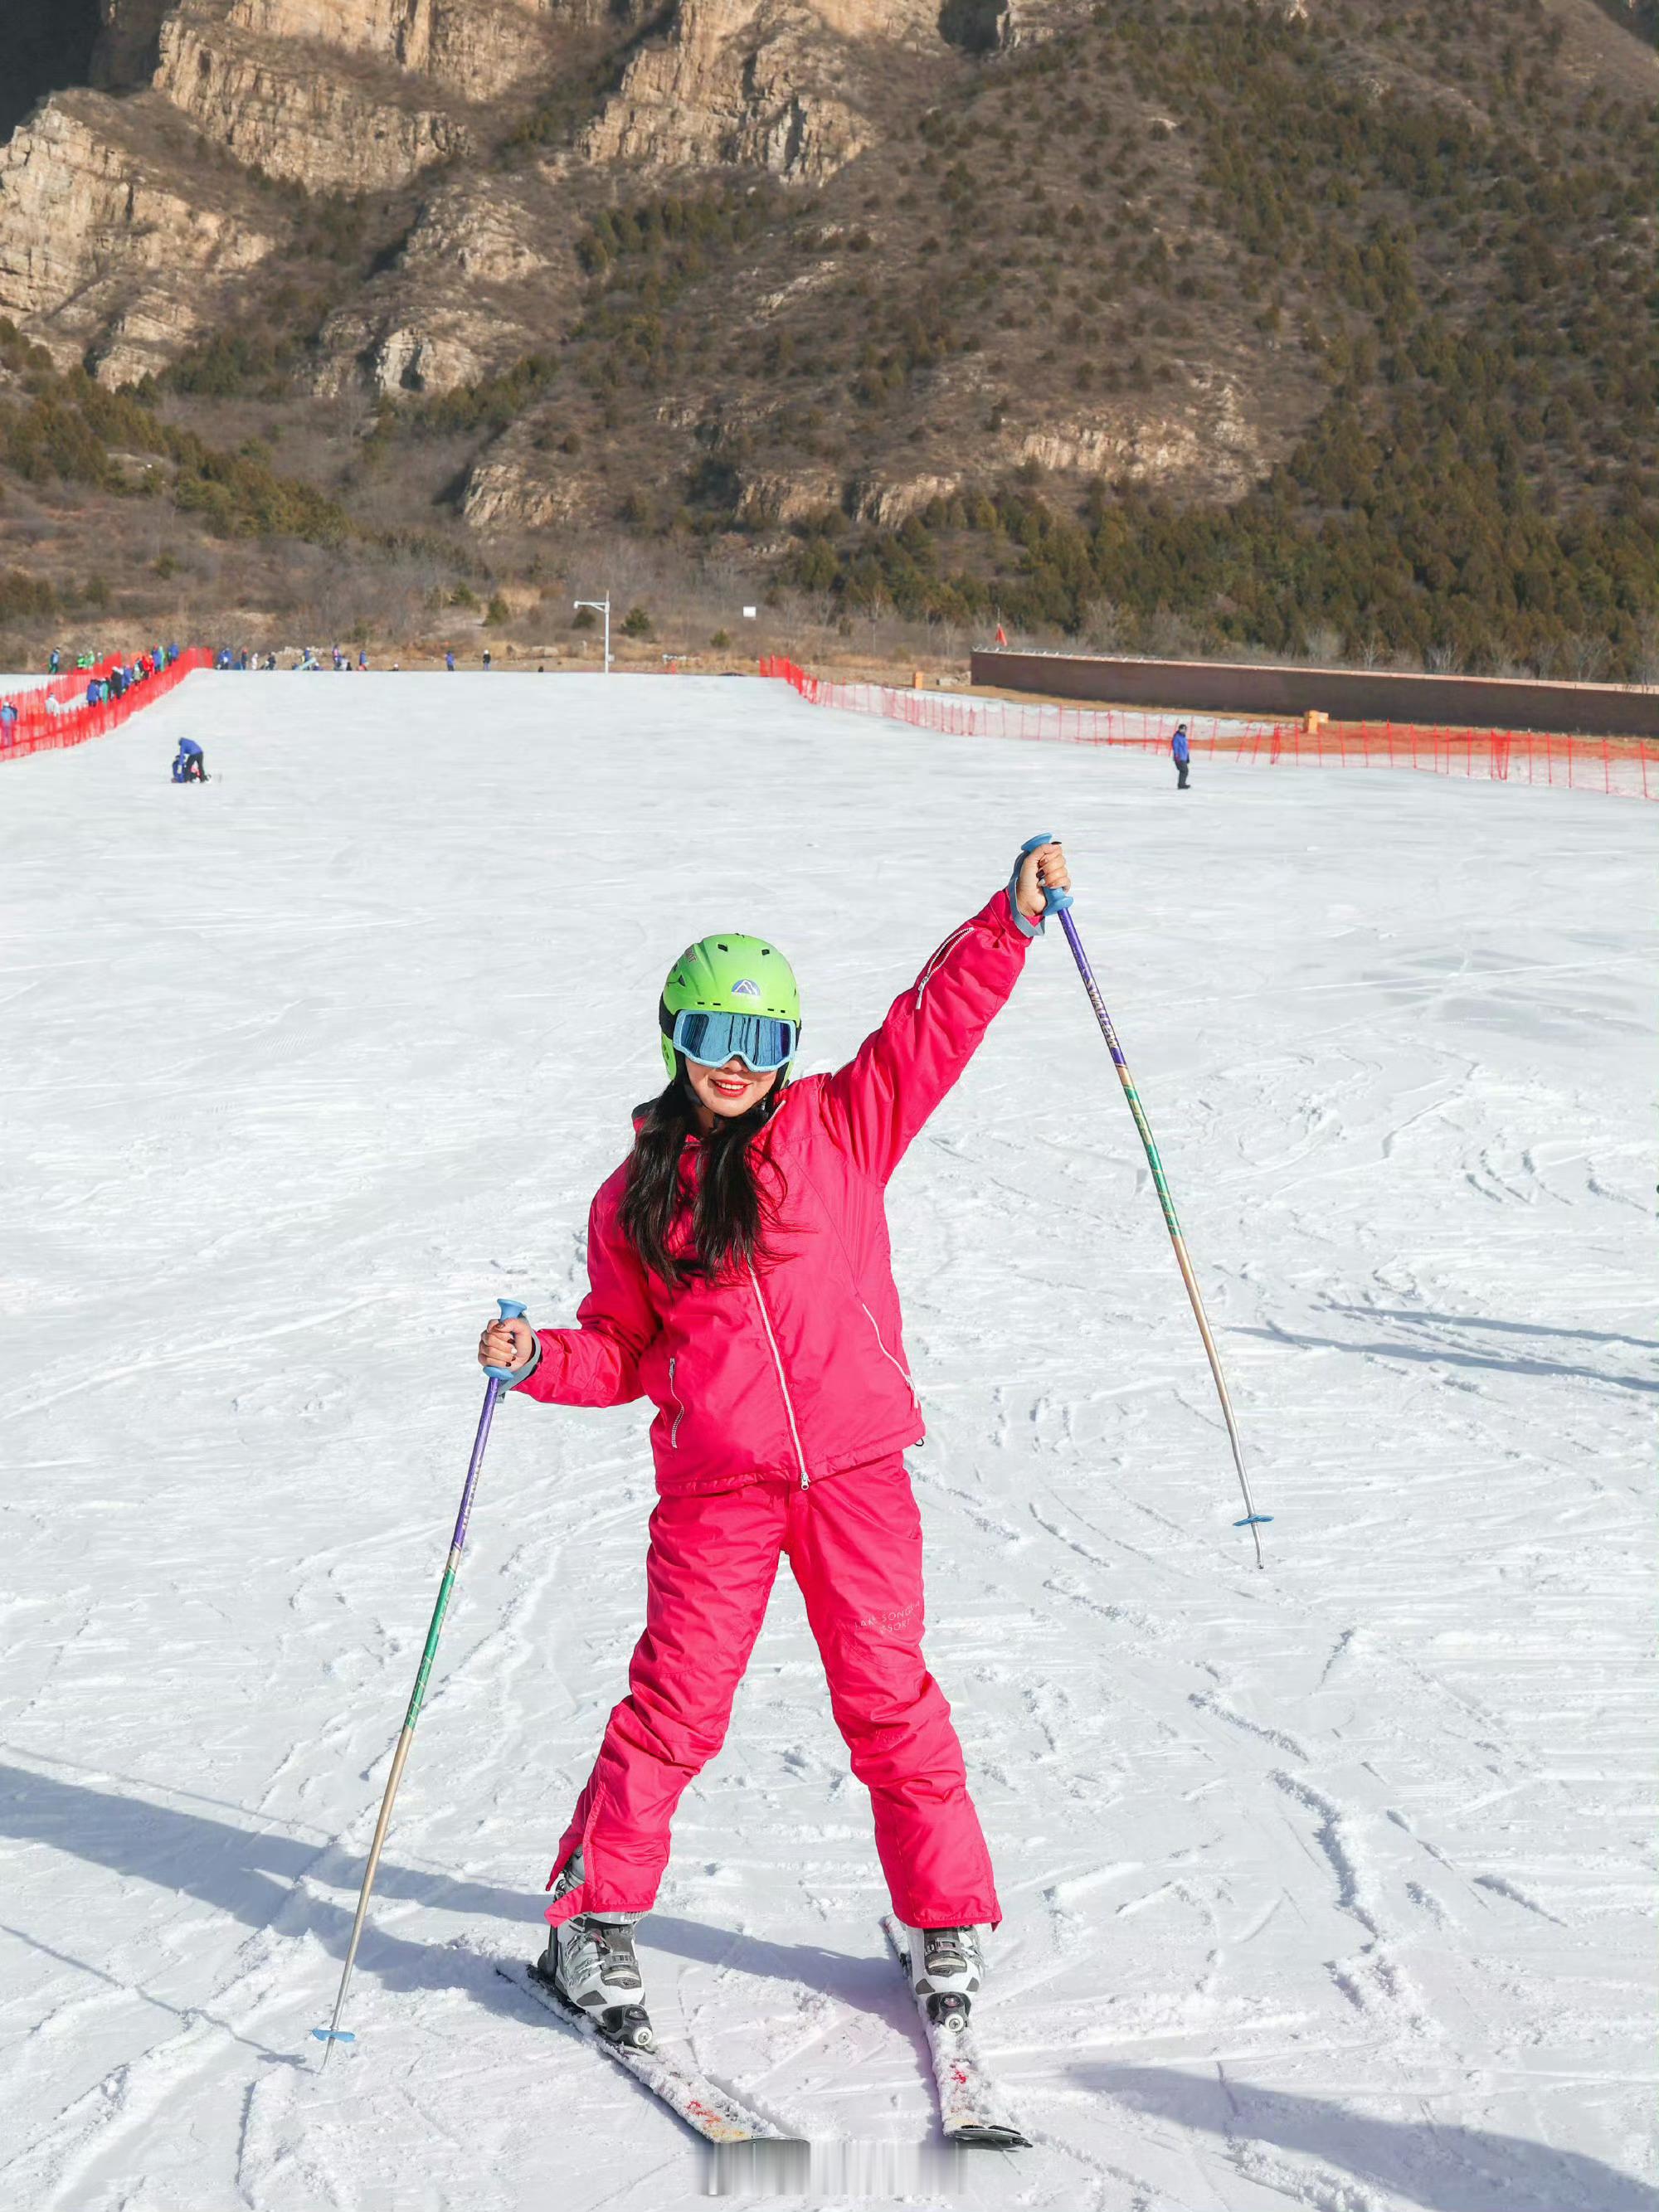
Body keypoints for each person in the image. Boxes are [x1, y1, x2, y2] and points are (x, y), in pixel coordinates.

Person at [476, 836, 1073, 2046]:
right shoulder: (634, 1193)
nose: (735, 1066)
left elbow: (931, 1024)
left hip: (854, 1472)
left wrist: (1006, 922)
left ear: (787, 1051)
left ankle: (939, 1912)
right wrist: (540, 1358)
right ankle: (587, 1919)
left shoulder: (845, 1125)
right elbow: (626, 1350)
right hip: (720, 1491)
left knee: (887, 1692)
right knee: (676, 1707)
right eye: (712, 1039)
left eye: (760, 1044)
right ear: (675, 1040)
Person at [1171, 722, 1190, 790]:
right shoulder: (1177, 737)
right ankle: (1181, 785)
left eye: (1184, 729)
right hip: (1180, 757)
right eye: (1182, 729)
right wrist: (1176, 756)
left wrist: (1187, 757)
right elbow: (1175, 747)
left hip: (1184, 757)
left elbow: (1186, 748)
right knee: (1184, 771)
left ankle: (1182, 784)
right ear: (1179, 729)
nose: (1183, 731)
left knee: (1184, 771)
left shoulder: (1184, 738)